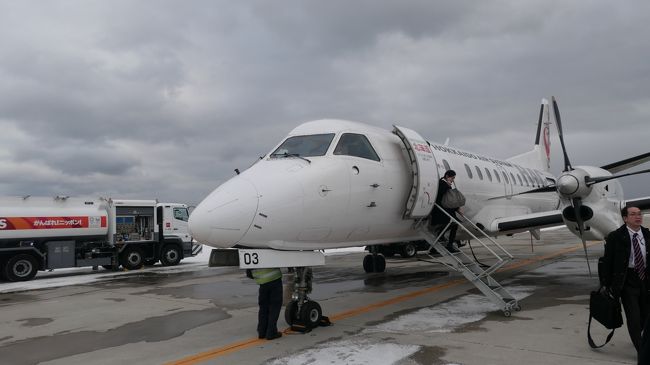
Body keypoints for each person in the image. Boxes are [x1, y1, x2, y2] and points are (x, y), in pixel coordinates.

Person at [602, 206, 650, 354]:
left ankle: (643, 340)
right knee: (634, 317)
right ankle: (642, 352)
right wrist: (606, 284)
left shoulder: (648, 234)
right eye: (633, 214)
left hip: (646, 280)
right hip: (627, 280)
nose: (638, 217)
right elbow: (607, 262)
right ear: (625, 218)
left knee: (646, 316)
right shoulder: (615, 237)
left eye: (639, 214)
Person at [429, 170, 461, 254]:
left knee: (454, 224)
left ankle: (438, 241)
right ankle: (449, 244)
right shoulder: (441, 183)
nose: (453, 180)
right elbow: (443, 196)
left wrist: (457, 208)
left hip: (445, 210)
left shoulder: (445, 184)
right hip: (440, 211)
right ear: (447, 176)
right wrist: (447, 186)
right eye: (452, 178)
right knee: (454, 224)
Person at [247, 268, 283, 340]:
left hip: (262, 283)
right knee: (274, 306)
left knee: (263, 308)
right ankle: (271, 332)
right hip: (274, 279)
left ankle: (262, 332)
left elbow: (249, 274)